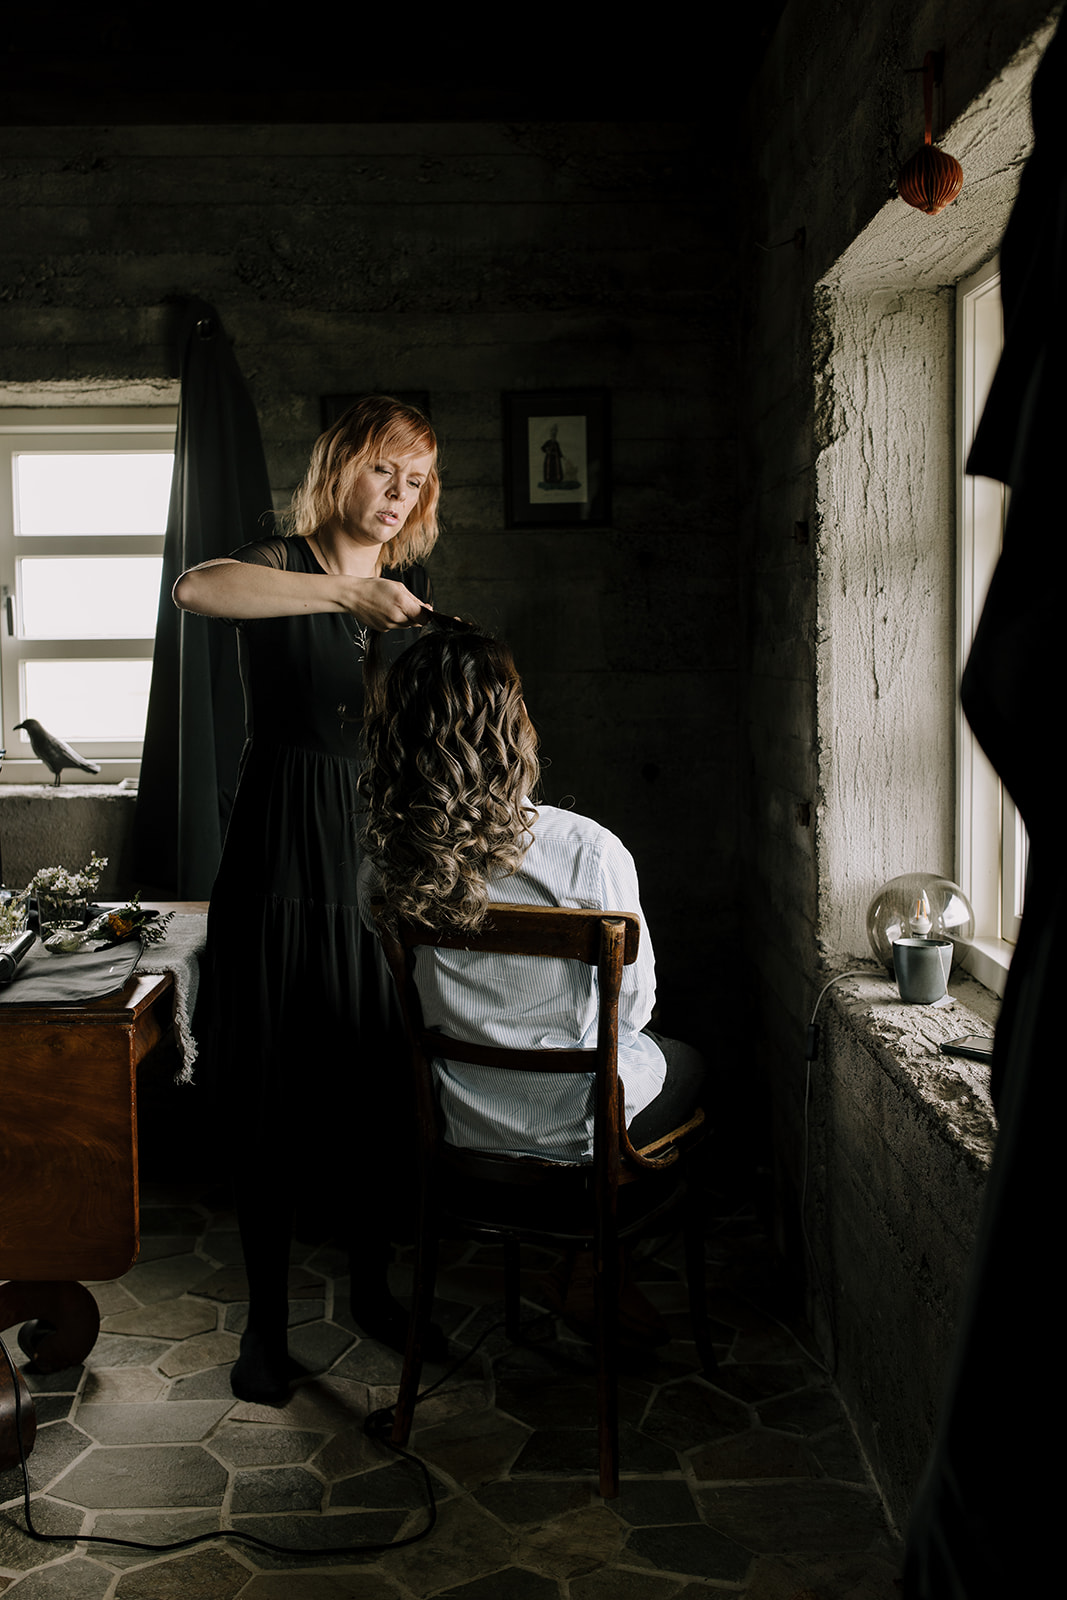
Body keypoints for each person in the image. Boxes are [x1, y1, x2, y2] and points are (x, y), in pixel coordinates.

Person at [174, 395, 442, 1404]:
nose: (397, 494)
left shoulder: (412, 594)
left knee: (373, 1081)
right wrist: (344, 600)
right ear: (340, 468)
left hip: (369, 858)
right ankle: (265, 1329)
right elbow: (197, 590)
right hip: (279, 841)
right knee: (268, 1088)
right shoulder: (277, 564)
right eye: (384, 470)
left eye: (414, 481)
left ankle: (373, 1288)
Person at [357, 625, 707, 1170]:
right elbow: (634, 1011)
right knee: (686, 1062)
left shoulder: (385, 866)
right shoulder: (588, 850)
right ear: (511, 723)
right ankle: (597, 1234)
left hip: (462, 1121)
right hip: (580, 1124)